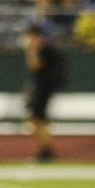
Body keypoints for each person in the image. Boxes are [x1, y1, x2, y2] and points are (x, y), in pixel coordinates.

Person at [24, 22, 68, 162]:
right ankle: (45, 150)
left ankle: (46, 151)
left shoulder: (46, 50)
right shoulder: (48, 49)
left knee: (39, 120)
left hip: (45, 90)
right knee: (37, 120)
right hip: (42, 89)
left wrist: (31, 50)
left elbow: (35, 66)